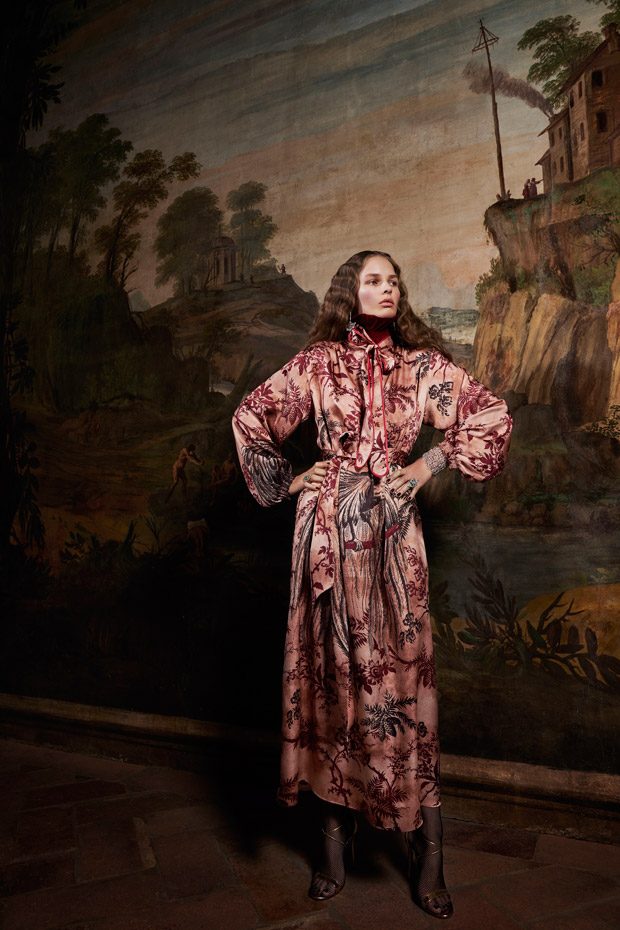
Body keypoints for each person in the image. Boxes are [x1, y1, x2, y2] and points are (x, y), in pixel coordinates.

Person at [232, 251, 513, 920]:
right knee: (335, 683)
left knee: (402, 680)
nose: (388, 289)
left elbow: (491, 414)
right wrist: (291, 480)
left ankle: (427, 851)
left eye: (394, 280)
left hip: (393, 545)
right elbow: (251, 415)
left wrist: (428, 463)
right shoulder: (318, 363)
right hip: (328, 538)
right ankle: (335, 841)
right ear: (349, 293)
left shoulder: (422, 368)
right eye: (373, 280)